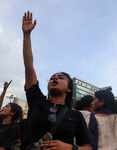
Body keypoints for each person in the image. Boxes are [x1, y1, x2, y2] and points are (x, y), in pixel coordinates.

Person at [21, 11, 92, 150]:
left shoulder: (76, 115)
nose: (55, 78)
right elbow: (29, 67)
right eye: (52, 77)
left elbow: (88, 147)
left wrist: (70, 147)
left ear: (69, 89)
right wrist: (27, 35)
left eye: (61, 78)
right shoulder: (37, 102)